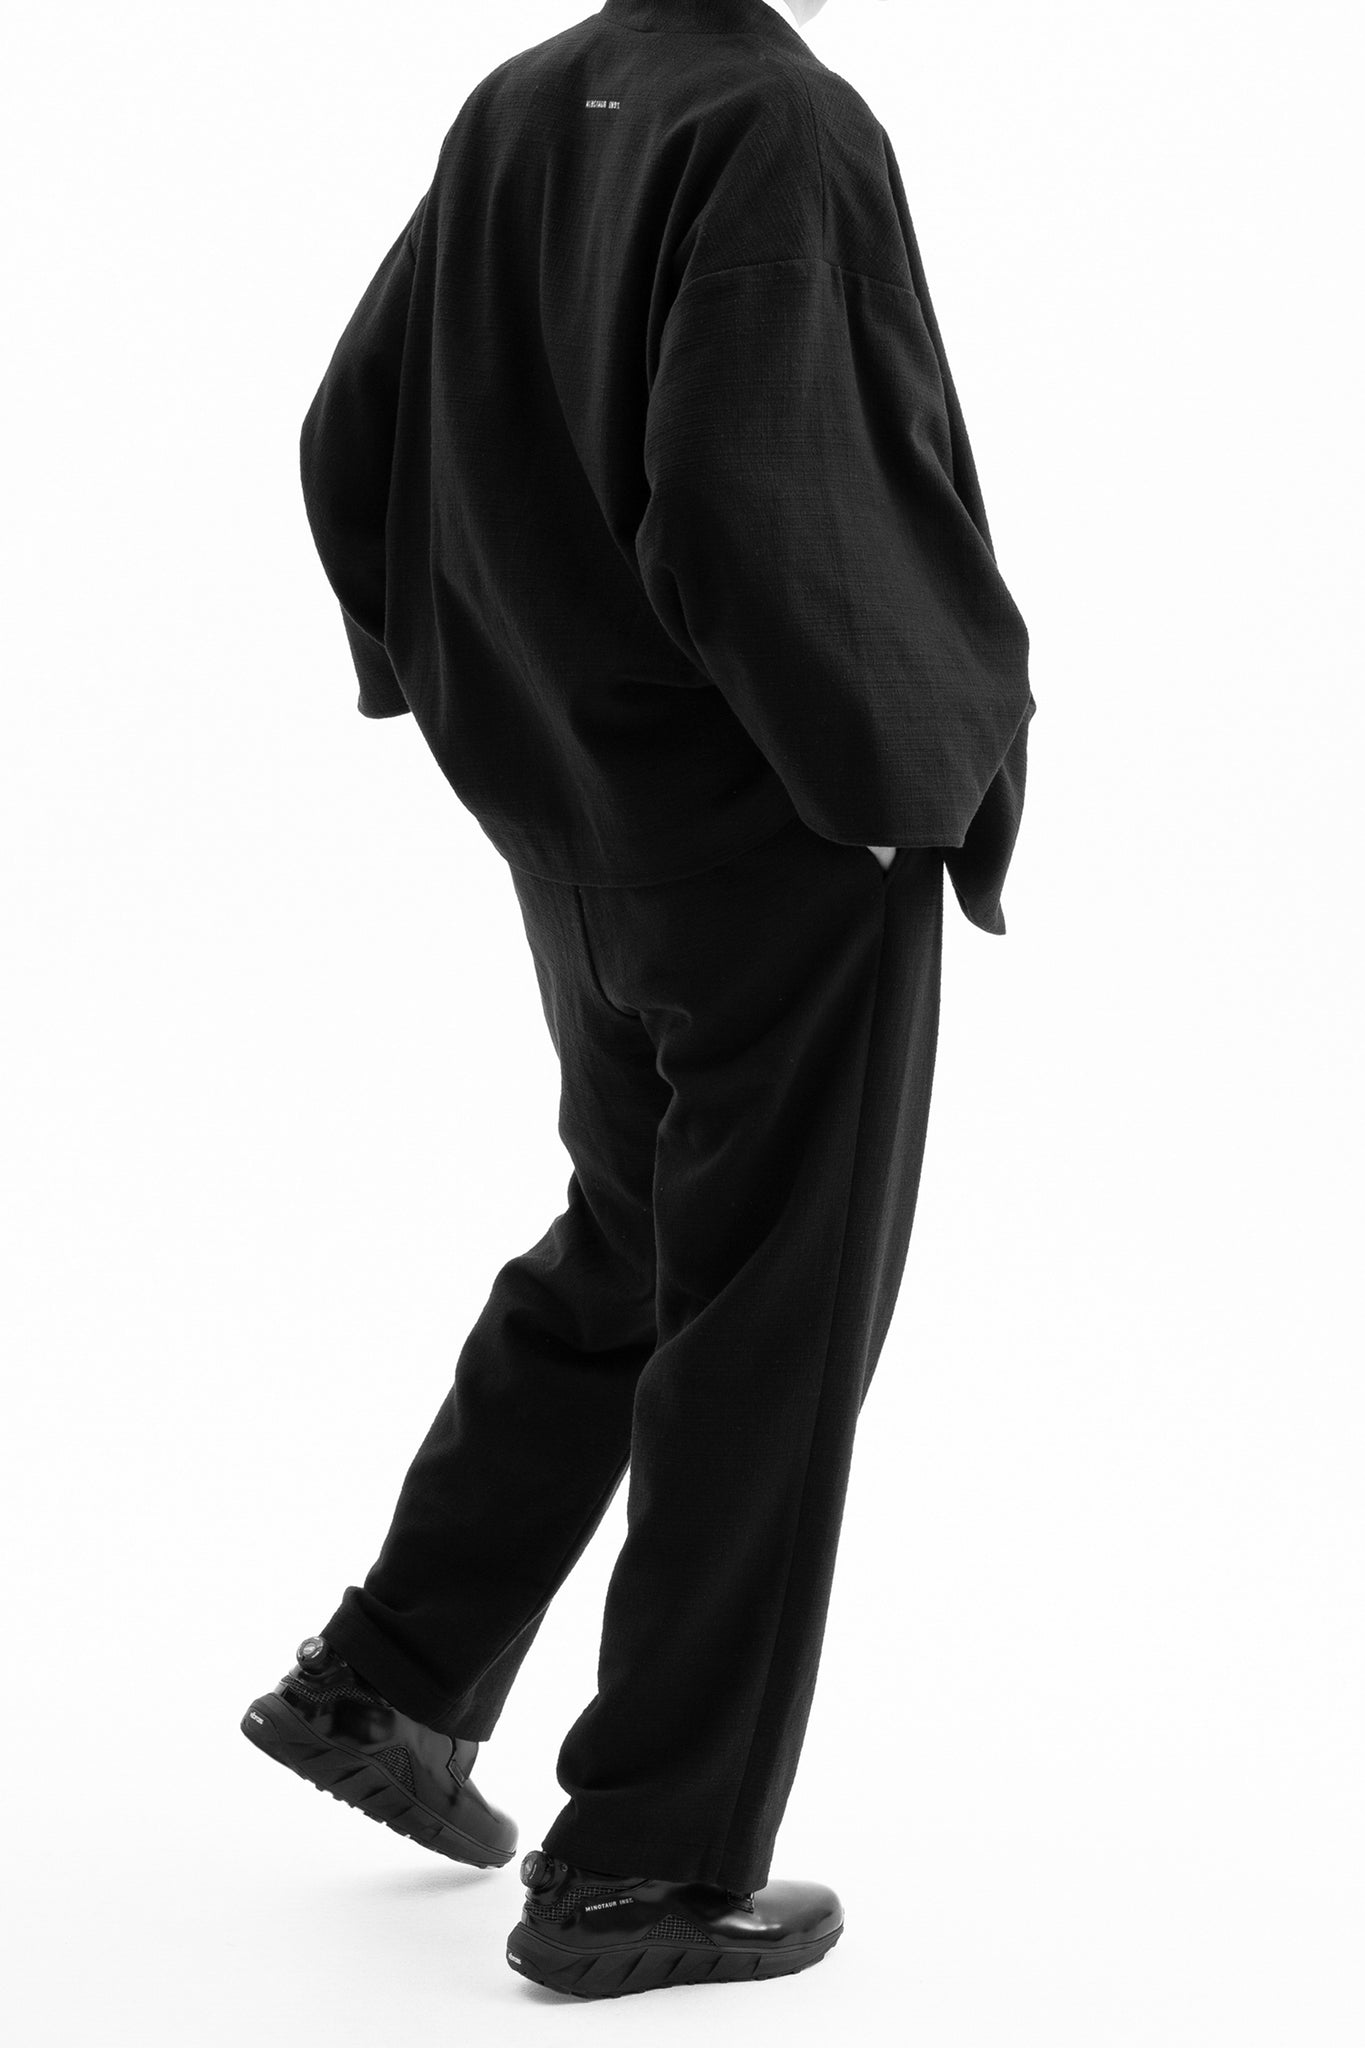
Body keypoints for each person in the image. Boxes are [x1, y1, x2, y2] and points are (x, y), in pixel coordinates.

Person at [242, 0, 1035, 2000]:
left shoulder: (522, 104)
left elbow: (351, 428)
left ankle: (385, 1681)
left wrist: (473, 696)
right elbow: (766, 498)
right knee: (768, 1316)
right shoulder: (780, 124)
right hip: (777, 828)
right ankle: (643, 1869)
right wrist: (910, 772)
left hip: (585, 824)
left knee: (637, 1238)